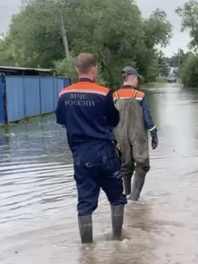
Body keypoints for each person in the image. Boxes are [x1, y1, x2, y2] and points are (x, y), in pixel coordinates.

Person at [56, 53, 126, 243]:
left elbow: (61, 120)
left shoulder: (64, 94)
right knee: (117, 198)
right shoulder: (104, 93)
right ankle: (118, 239)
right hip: (104, 150)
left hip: (81, 155)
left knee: (85, 203)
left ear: (77, 69)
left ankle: (86, 249)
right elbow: (114, 120)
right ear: (94, 69)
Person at [112, 66, 158, 201]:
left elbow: (109, 119)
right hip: (138, 136)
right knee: (142, 164)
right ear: (132, 78)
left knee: (125, 167)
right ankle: (135, 197)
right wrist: (154, 134)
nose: (137, 81)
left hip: (120, 136)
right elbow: (147, 118)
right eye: (137, 78)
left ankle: (126, 195)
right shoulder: (140, 96)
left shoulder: (114, 96)